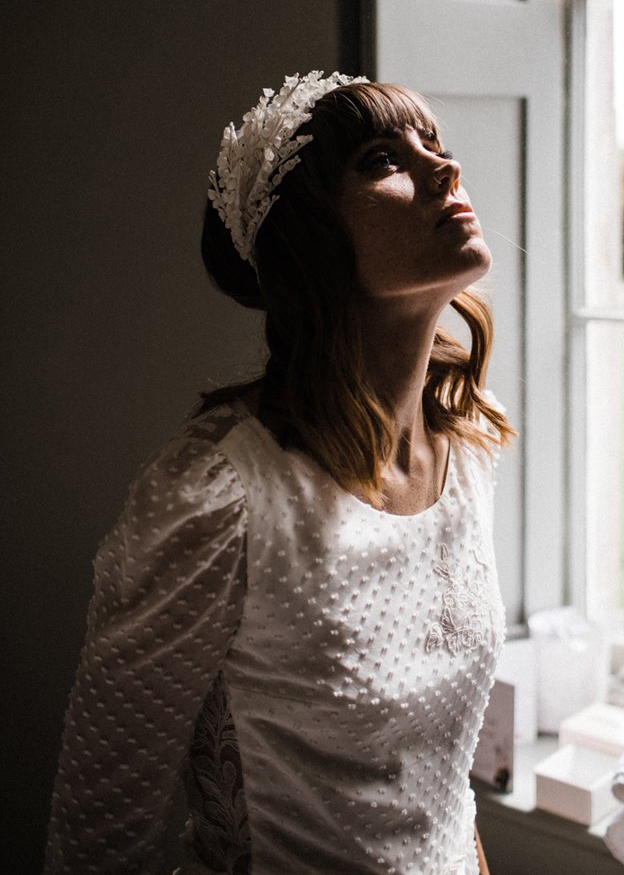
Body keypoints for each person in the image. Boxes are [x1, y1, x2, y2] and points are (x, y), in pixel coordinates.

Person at [45, 71, 515, 875]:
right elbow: (102, 828)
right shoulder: (216, 494)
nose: (444, 168)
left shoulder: (467, 444)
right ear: (309, 241)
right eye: (381, 158)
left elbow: (439, 788)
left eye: (434, 142)